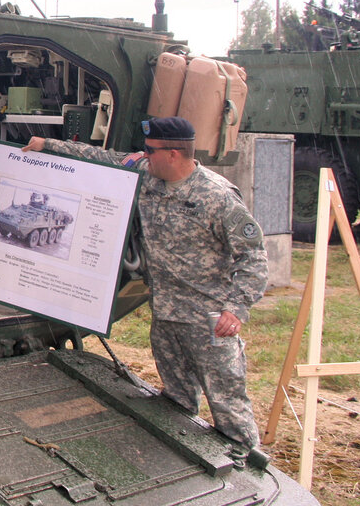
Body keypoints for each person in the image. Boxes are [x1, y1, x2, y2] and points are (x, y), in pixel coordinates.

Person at [22, 116, 267, 448]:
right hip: (166, 317)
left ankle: (247, 475)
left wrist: (236, 309)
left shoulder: (217, 196)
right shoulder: (148, 176)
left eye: (150, 150)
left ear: (173, 154)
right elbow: (103, 158)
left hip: (209, 324)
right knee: (175, 406)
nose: (143, 155)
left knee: (229, 410)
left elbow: (253, 256)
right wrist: (48, 145)